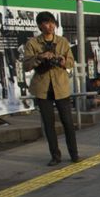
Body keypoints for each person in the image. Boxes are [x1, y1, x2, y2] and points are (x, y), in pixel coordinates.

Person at [23, 11, 79, 166]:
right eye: (47, 23)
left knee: (68, 122)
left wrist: (62, 61)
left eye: (52, 22)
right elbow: (26, 65)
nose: (51, 26)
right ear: (40, 26)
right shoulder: (33, 43)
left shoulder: (62, 42)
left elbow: (71, 62)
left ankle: (74, 154)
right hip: (42, 88)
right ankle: (55, 156)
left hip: (61, 87)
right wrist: (40, 57)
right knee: (49, 124)